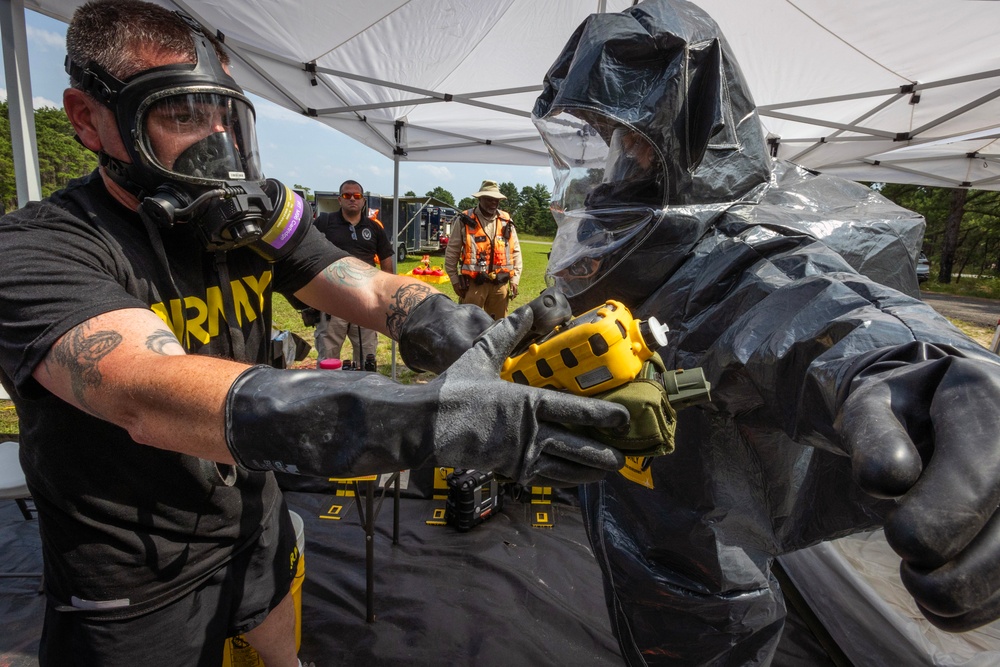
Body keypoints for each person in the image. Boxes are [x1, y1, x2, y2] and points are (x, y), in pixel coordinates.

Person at [0, 2, 629, 665]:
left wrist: (462, 330)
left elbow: (367, 284)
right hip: (132, 571)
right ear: (86, 118)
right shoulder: (42, 247)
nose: (216, 141)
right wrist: (428, 419)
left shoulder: (237, 223)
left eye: (224, 116)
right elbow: (149, 395)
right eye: (182, 115)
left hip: (250, 523)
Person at [526, 0, 1000, 664]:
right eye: (607, 134)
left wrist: (915, 372)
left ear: (688, 137)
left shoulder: (728, 253)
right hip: (635, 546)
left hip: (706, 591)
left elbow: (805, 305)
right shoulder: (635, 247)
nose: (619, 158)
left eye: (635, 136)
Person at [312, 180, 393, 370]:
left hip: (365, 303)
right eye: (347, 196)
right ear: (340, 199)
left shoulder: (374, 228)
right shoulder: (324, 222)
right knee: (328, 358)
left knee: (367, 359)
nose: (352, 199)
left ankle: (364, 395)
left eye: (356, 196)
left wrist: (385, 296)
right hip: (331, 302)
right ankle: (327, 396)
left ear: (363, 201)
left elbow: (387, 261)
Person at [444, 180, 522, 319]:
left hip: (500, 284)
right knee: (467, 324)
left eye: (496, 200)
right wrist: (455, 280)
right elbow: (452, 252)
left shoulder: (506, 220)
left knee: (498, 327)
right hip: (474, 285)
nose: (493, 203)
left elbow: (515, 251)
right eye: (489, 199)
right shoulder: (465, 220)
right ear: (480, 198)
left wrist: (515, 279)